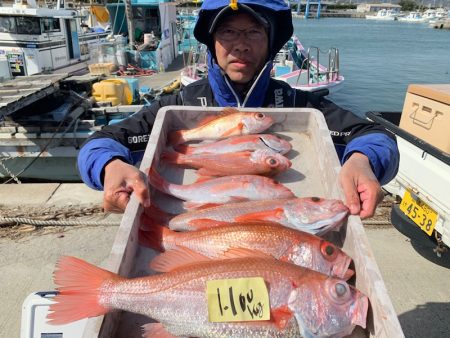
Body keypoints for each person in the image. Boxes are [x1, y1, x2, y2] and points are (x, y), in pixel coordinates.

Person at [77, 0, 399, 219]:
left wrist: (362, 160)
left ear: (271, 41)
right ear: (212, 41)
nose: (240, 44)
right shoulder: (180, 106)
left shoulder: (298, 105)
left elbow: (375, 136)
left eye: (254, 31)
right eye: (228, 31)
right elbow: (99, 144)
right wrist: (109, 166)